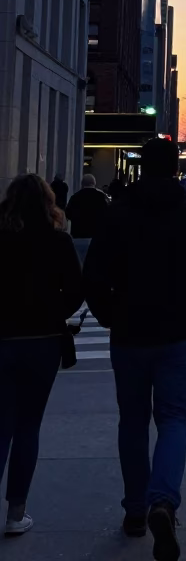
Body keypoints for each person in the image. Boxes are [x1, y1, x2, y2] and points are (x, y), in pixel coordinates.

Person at [83, 137, 186, 559]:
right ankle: (162, 500)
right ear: (175, 168)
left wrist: (110, 313)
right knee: (174, 419)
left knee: (132, 421)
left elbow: (93, 275)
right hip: (179, 332)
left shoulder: (118, 213)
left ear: (142, 167)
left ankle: (134, 510)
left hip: (129, 333)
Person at [0, 175, 84, 536]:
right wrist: (56, 312)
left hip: (3, 338)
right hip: (44, 339)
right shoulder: (58, 241)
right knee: (28, 426)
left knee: (1, 424)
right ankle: (16, 512)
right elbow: (77, 291)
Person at [65, 174, 110, 261]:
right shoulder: (101, 197)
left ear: (82, 184)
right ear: (94, 183)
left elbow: (68, 214)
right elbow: (107, 215)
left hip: (78, 236)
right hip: (96, 237)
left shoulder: (75, 197)